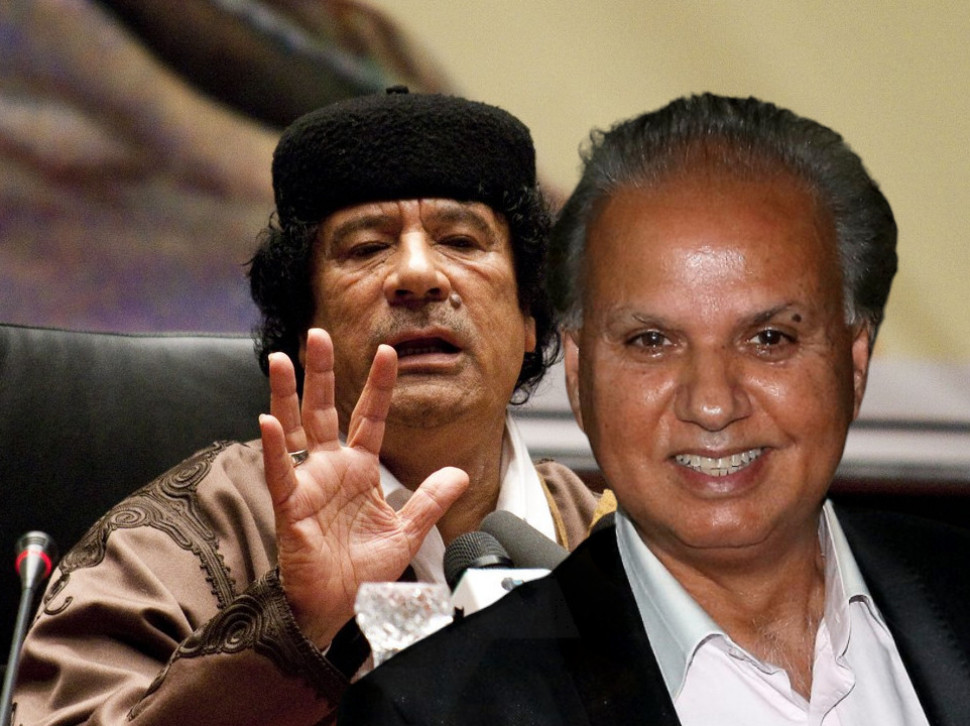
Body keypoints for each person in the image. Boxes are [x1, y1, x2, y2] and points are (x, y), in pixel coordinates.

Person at [336, 93, 970, 725]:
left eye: (769, 338)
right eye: (651, 342)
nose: (712, 404)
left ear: (854, 363)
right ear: (579, 373)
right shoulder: (436, 709)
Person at [12, 89, 600, 726]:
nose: (417, 274)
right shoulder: (179, 543)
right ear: (303, 327)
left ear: (530, 316)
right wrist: (296, 631)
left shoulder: (620, 540)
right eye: (366, 248)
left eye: (460, 240)